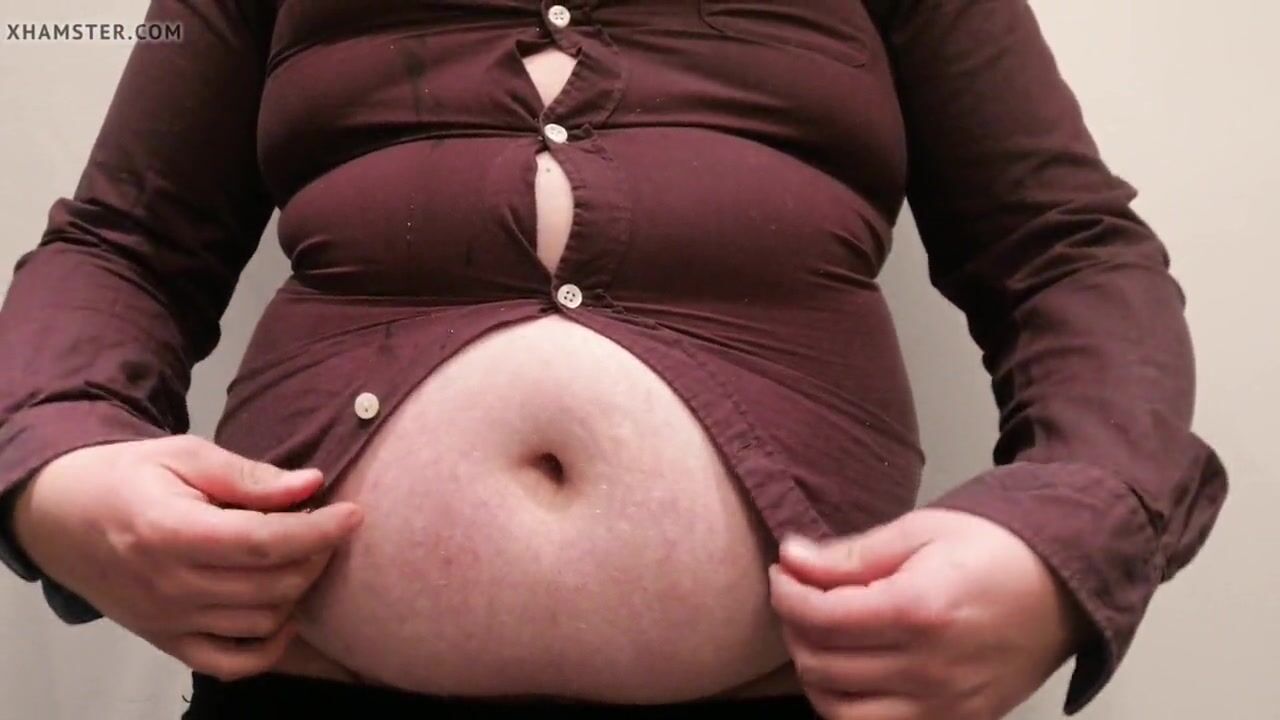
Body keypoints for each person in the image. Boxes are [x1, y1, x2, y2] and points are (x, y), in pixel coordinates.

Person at [0, 1, 1227, 718]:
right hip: (310, 686)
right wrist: (58, 464)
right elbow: (120, 245)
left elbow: (1068, 255)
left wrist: (1062, 535)